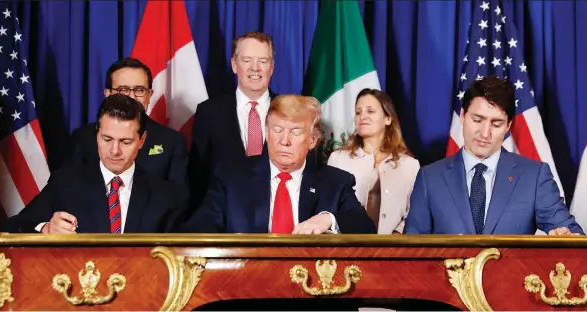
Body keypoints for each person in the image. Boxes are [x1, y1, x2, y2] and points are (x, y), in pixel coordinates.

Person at [404, 76, 584, 235]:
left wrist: (565, 234)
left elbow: (569, 233)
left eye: (496, 124)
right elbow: (411, 251)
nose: (485, 133)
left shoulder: (534, 176)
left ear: (508, 126)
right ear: (463, 116)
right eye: (477, 120)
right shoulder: (429, 178)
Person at [179, 95, 376, 234]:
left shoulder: (336, 183)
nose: (285, 140)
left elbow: (364, 228)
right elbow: (200, 226)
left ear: (313, 140)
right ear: (266, 132)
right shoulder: (231, 178)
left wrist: (329, 220)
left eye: (296, 132)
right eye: (278, 129)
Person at [1, 94, 184, 234]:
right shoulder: (66, 183)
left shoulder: (164, 196)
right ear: (96, 134)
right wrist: (46, 228)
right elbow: (14, 226)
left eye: (125, 142)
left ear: (142, 140)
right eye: (106, 139)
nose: (114, 150)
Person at [188, 31, 277, 211]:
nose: (255, 67)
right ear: (234, 65)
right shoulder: (209, 112)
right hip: (223, 219)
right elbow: (198, 176)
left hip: (276, 217)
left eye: (263, 61)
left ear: (272, 67)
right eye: (247, 60)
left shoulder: (288, 110)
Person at [68, 57, 188, 188]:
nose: (131, 97)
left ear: (149, 94)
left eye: (139, 90)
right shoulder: (83, 138)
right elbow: (69, 188)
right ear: (108, 93)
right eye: (123, 90)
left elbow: (179, 198)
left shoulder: (172, 142)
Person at [328, 89, 420, 234]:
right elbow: (329, 207)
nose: (362, 116)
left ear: (388, 119)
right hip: (347, 248)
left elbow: (415, 212)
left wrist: (397, 237)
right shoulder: (338, 159)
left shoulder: (410, 165)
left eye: (370, 111)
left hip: (394, 250)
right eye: (358, 112)